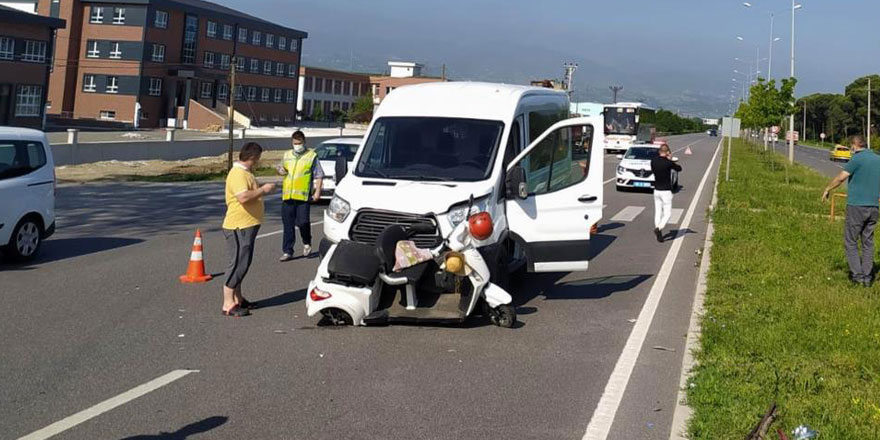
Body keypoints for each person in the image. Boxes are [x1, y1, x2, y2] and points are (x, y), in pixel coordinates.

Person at [222, 142, 275, 317]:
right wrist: (264, 190)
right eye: (257, 159)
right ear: (252, 158)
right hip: (239, 225)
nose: (258, 162)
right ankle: (228, 303)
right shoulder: (238, 174)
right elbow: (243, 197)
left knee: (243, 262)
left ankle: (238, 297)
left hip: (248, 224)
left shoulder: (245, 173)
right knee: (238, 262)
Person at [822, 135, 880, 287]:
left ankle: (857, 276)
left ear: (855, 146)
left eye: (851, 147)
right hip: (873, 207)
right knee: (868, 242)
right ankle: (868, 277)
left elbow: (841, 177)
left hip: (857, 206)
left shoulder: (857, 159)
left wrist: (828, 188)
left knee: (851, 241)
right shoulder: (877, 159)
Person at [277, 130, 324, 261]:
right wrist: (280, 170)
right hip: (288, 196)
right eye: (295, 143)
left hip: (303, 197)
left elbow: (319, 175)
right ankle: (288, 251)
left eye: (299, 143)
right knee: (288, 224)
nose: (297, 145)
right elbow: (282, 168)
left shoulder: (311, 156)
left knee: (303, 222)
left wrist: (317, 191)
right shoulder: (287, 155)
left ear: (304, 142)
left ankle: (307, 242)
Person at [650, 144, 681, 242]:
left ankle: (658, 230)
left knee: (658, 211)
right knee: (667, 213)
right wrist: (670, 159)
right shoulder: (668, 163)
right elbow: (679, 168)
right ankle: (658, 229)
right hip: (666, 191)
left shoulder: (653, 161)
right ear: (667, 152)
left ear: (659, 151)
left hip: (656, 190)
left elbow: (653, 168)